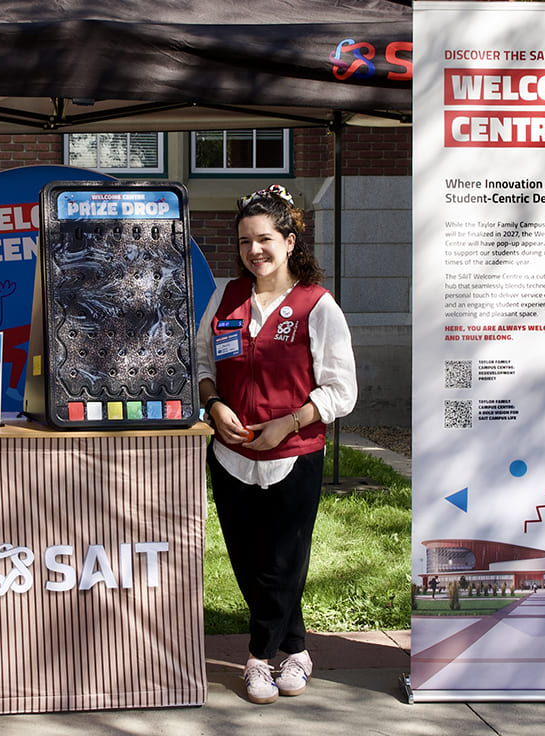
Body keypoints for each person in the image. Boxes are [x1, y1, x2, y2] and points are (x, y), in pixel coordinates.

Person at [196, 184, 357, 704]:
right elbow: (201, 362)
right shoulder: (226, 297)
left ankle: (260, 657)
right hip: (230, 454)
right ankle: (297, 648)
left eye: (264, 239)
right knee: (248, 559)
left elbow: (341, 389)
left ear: (289, 242)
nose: (253, 251)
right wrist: (213, 402)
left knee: (285, 560)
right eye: (244, 241)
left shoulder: (318, 305)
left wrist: (288, 423)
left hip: (293, 454)